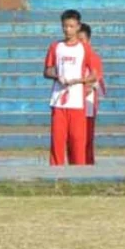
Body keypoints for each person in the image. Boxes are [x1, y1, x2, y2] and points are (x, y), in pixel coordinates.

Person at [44, 9, 98, 165]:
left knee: (77, 141)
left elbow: (94, 75)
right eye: (65, 26)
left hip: (76, 101)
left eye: (71, 26)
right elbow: (47, 70)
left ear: (78, 27)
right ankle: (56, 172)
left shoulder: (84, 48)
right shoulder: (56, 47)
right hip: (59, 100)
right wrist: (57, 76)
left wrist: (79, 80)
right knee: (58, 140)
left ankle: (78, 173)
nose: (68, 30)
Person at [78, 23, 104, 163]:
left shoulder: (94, 58)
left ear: (88, 40)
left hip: (88, 104)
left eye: (82, 40)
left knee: (87, 138)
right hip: (73, 105)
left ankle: (87, 164)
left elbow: (97, 80)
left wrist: (86, 87)